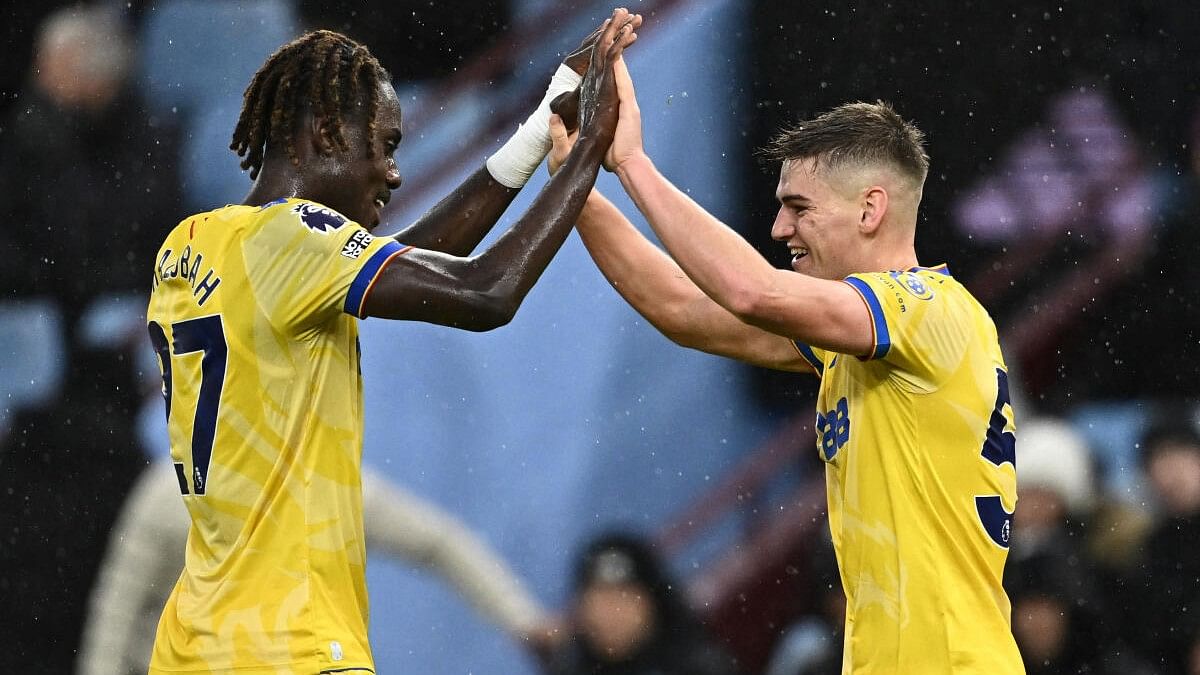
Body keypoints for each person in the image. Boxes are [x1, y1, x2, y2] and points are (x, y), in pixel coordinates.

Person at [144, 11, 639, 673]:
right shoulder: (295, 240)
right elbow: (485, 291)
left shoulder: (191, 244)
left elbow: (420, 260)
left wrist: (540, 120)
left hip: (194, 645)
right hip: (290, 644)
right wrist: (585, 155)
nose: (395, 173)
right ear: (325, 132)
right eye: (383, 144)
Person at [548, 60, 1023, 672]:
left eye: (799, 208)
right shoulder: (862, 340)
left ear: (870, 209)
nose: (780, 228)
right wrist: (579, 194)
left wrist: (633, 163)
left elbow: (752, 291)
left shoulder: (928, 311)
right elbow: (680, 308)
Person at [77, 459, 547, 675]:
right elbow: (114, 613)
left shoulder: (328, 489)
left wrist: (524, 620)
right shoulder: (169, 495)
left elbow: (437, 544)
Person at [542, 531, 742, 675]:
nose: (611, 614)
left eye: (623, 599)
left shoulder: (699, 666)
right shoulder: (569, 667)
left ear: (653, 603)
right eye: (598, 602)